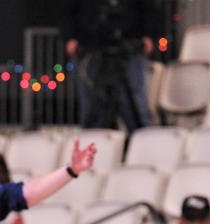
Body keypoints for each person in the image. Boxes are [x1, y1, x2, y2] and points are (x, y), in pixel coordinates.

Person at [62, 0, 155, 131]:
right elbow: (68, 10)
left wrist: (148, 35)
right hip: (89, 47)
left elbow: (148, 8)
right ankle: (95, 145)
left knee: (133, 104)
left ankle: (141, 143)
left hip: (130, 46)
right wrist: (70, 37)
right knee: (92, 107)